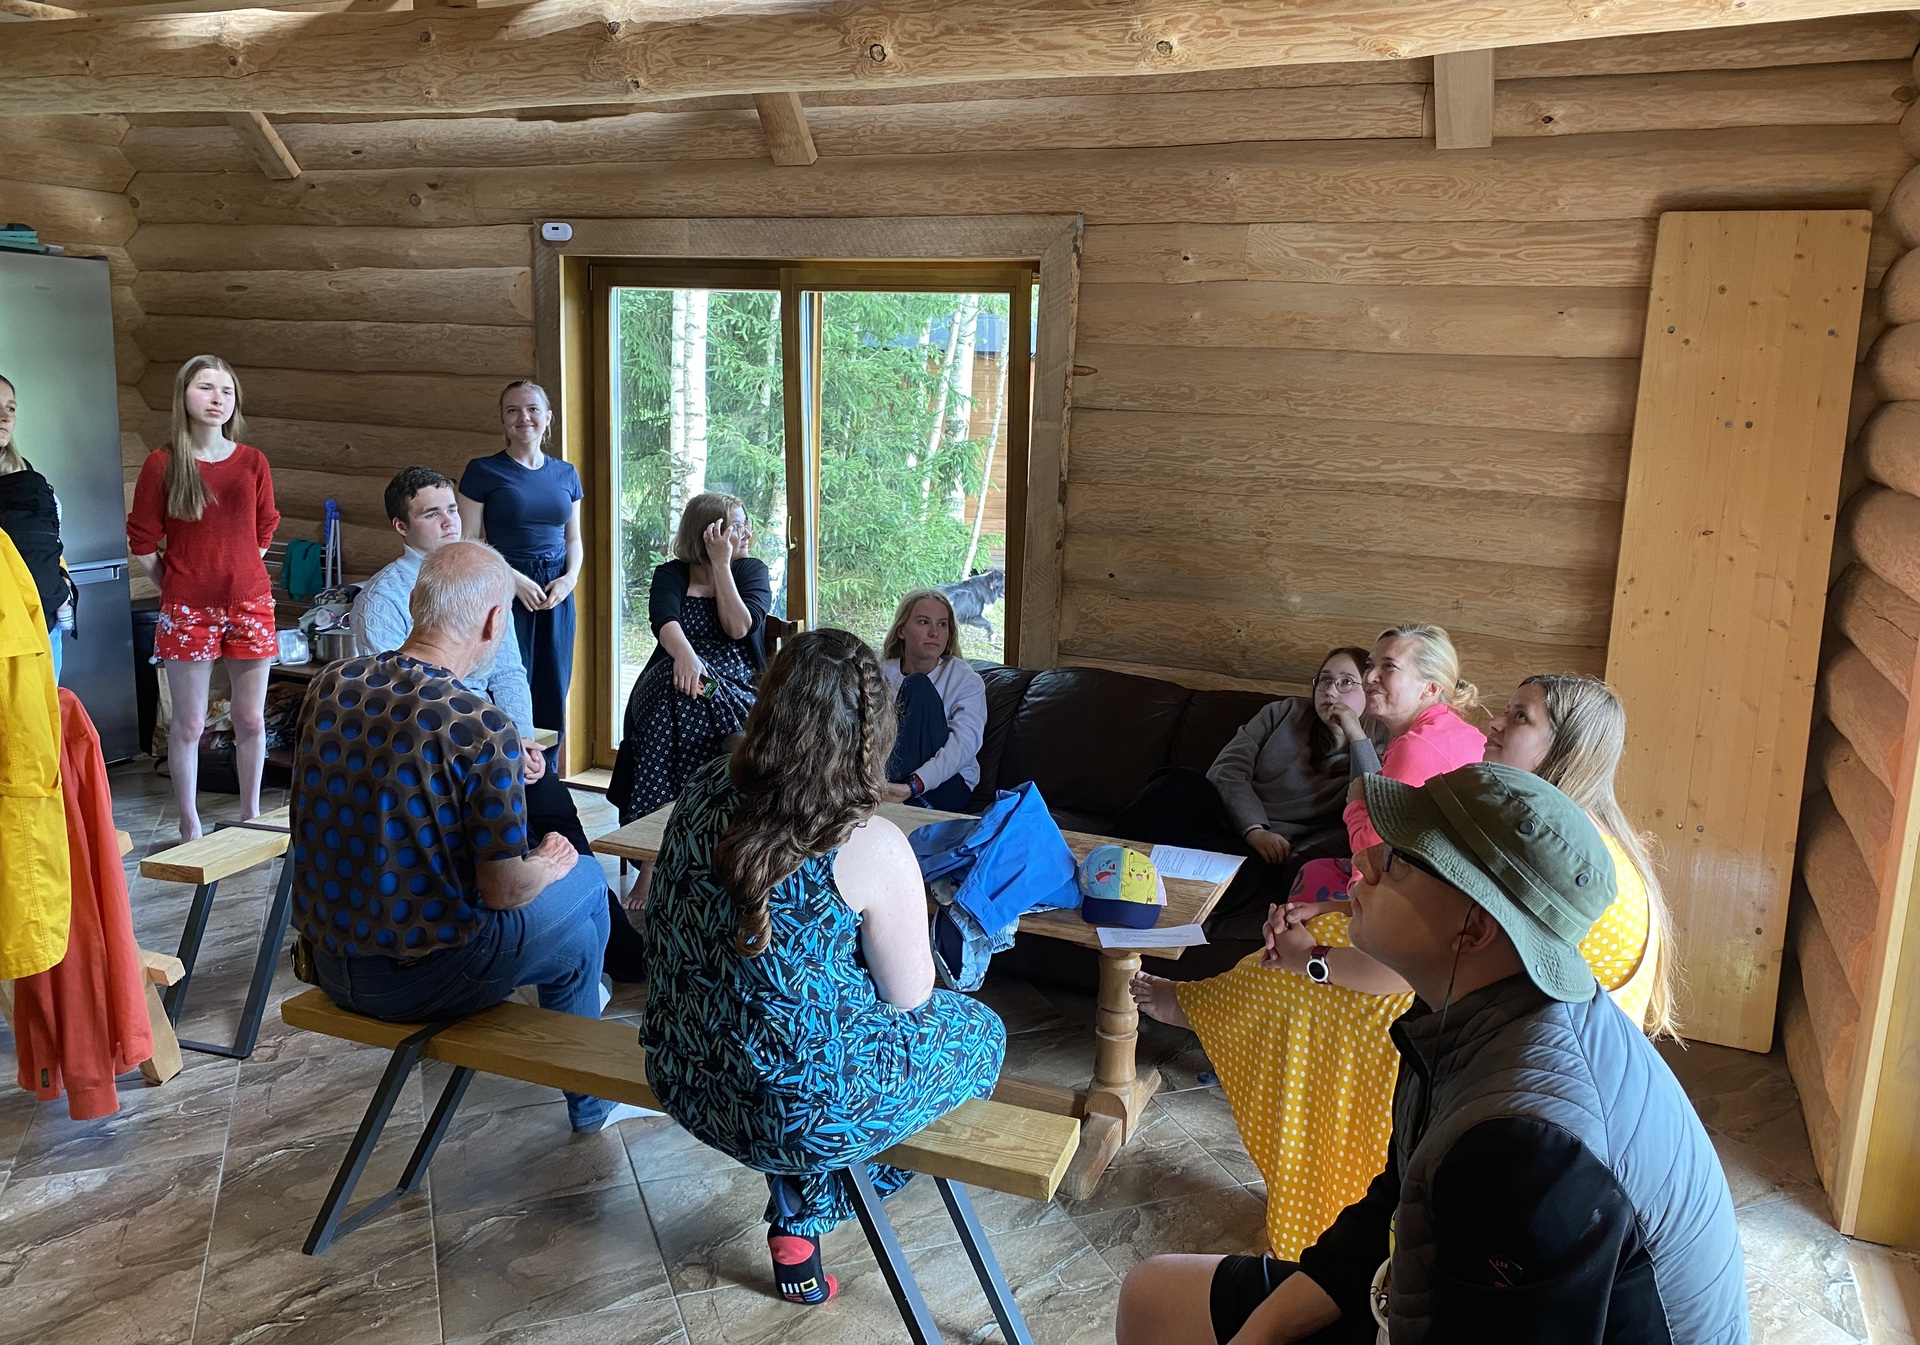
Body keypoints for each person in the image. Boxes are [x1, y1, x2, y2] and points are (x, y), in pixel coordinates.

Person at [1116, 764, 1747, 1345]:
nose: (1365, 862)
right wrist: (1260, 1334)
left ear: (1473, 930)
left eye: (1399, 860)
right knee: (1155, 1295)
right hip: (1441, 1299)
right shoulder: (1469, 1011)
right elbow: (1394, 1202)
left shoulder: (1525, 1146)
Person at [1130, 670, 1674, 1262]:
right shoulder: (1564, 830)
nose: (1494, 722)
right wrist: (1338, 906)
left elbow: (1418, 955)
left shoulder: (1542, 844)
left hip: (1539, 1062)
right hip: (1539, 1029)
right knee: (1313, 947)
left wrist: (1311, 960)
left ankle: (1320, 1211)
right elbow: (1438, 906)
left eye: (1521, 716)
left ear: (1564, 747)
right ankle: (1217, 1020)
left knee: (1301, 996)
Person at [642, 628, 1005, 1306]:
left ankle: (799, 1218)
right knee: (982, 1033)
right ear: (874, 729)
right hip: (787, 1114)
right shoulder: (868, 840)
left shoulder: (701, 790)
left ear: (770, 701)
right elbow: (911, 997)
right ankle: (814, 1207)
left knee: (797, 1043)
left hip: (684, 1073)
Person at [293, 542, 646, 1134]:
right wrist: (548, 861)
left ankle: (590, 1088)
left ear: (418, 604)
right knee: (585, 880)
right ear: (494, 621)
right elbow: (504, 890)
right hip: (421, 978)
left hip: (328, 961)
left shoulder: (331, 685)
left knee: (579, 942)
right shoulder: (479, 724)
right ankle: (591, 1100)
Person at [351, 466, 645, 983]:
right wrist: (496, 744)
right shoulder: (383, 598)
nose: (449, 521)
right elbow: (401, 698)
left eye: (451, 509)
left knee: (558, 815)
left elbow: (508, 672)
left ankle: (614, 948)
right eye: (431, 513)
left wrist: (523, 740)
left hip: (497, 737)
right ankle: (554, 942)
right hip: (429, 754)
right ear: (401, 527)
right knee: (514, 841)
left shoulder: (483, 578)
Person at [1107, 647, 1386, 918]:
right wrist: (1253, 828)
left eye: (1346, 682)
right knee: (1180, 783)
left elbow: (1369, 806)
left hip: (1262, 849)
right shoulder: (1284, 712)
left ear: (1369, 691)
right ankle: (1105, 862)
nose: (1330, 691)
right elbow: (1227, 768)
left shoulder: (1378, 751)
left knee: (1247, 875)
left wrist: (1355, 734)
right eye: (1324, 679)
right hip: (1222, 815)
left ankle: (1159, 903)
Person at [127, 355, 280, 843]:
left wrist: (241, 566)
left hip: (251, 603)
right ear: (183, 396)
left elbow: (264, 527)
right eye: (206, 388)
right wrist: (177, 584)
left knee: (250, 718)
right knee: (190, 722)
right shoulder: (163, 463)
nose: (218, 399)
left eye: (227, 391)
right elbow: (142, 541)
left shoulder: (252, 461)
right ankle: (189, 821)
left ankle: (251, 813)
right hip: (186, 610)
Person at [607, 491, 771, 906]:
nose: (746, 533)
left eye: (745, 524)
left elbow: (739, 628)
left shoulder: (751, 570)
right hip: (670, 676)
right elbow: (664, 620)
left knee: (682, 707)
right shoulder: (671, 573)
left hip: (728, 687)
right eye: (736, 526)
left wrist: (722, 565)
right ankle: (661, 858)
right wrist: (686, 657)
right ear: (708, 530)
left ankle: (652, 863)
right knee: (675, 691)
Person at [457, 380, 582, 739]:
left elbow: (573, 539)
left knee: (554, 685)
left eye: (532, 409)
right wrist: (511, 579)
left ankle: (546, 767)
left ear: (548, 417)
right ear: (503, 419)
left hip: (556, 590)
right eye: (513, 410)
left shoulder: (566, 473)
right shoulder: (482, 471)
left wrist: (569, 579)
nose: (523, 417)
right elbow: (468, 541)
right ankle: (510, 762)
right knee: (510, 682)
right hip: (504, 587)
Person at [879, 587, 987, 812]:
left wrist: (913, 785)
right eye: (923, 622)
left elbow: (964, 745)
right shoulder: (880, 674)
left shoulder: (965, 679)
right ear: (901, 630)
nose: (934, 633)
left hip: (945, 784)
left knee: (917, 685)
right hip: (885, 781)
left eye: (942, 624)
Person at [0, 374, 73, 684]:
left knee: (44, 708)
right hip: (8, 628)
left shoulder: (25, 475)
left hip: (43, 620)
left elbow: (50, 542)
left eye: (11, 408)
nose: (5, 417)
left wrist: (59, 593)